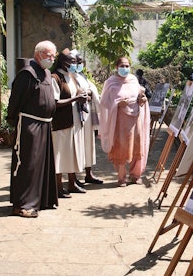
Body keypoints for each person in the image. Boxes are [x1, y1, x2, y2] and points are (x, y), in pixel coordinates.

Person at [7, 41, 58, 218]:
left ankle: (40, 200)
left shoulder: (46, 73)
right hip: (30, 124)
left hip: (45, 124)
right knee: (27, 165)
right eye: (48, 55)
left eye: (53, 56)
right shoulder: (27, 74)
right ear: (38, 54)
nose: (51, 59)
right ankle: (22, 205)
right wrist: (13, 121)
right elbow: (15, 100)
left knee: (41, 165)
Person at [99, 57, 150, 186]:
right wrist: (117, 104)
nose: (125, 68)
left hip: (135, 118)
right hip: (119, 120)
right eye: (122, 66)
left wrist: (142, 99)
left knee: (137, 145)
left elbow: (140, 94)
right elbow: (104, 102)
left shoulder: (133, 80)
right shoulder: (110, 82)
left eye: (127, 66)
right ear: (116, 67)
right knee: (121, 147)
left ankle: (135, 175)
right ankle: (121, 177)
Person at [50, 50, 87, 198]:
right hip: (61, 123)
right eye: (70, 62)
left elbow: (76, 93)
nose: (73, 65)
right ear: (62, 62)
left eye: (74, 62)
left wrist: (84, 97)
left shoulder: (70, 76)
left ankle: (72, 183)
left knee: (71, 154)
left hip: (74, 121)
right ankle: (58, 187)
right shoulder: (55, 78)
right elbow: (54, 102)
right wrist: (75, 99)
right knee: (59, 156)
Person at [70, 51, 103, 184]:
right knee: (76, 145)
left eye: (80, 62)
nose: (78, 65)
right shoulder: (67, 76)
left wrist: (89, 92)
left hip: (86, 114)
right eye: (76, 62)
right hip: (75, 114)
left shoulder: (82, 75)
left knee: (88, 144)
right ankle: (73, 178)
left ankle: (89, 173)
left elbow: (90, 88)